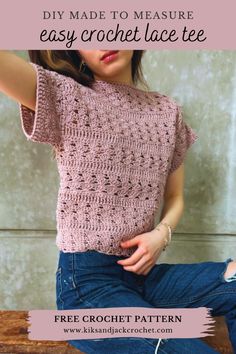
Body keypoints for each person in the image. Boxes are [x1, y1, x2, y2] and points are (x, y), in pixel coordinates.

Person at [0, 50, 235, 354]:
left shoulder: (167, 112)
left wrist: (160, 234)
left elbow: (175, 197)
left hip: (144, 280)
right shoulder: (67, 97)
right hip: (87, 289)